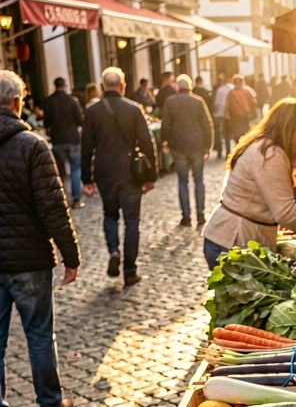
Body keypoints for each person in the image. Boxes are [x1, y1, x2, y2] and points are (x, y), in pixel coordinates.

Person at [0, 70, 80, 407]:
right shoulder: (32, 145)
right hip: (29, 259)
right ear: (17, 102)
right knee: (39, 335)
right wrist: (70, 255)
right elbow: (53, 207)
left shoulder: (33, 144)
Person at [203, 98, 296, 269]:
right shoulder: (270, 155)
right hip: (232, 239)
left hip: (234, 237)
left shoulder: (264, 145)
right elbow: (286, 213)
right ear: (292, 130)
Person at [81, 67, 157, 286]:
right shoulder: (134, 110)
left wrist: (86, 179)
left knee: (110, 214)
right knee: (132, 221)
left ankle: (114, 251)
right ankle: (130, 270)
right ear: (122, 85)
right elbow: (147, 142)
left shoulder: (93, 111)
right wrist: (150, 175)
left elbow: (86, 147)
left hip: (105, 172)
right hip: (130, 173)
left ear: (103, 85)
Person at [161, 74, 214, 228]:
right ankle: (200, 214)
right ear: (190, 86)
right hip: (197, 145)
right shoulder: (198, 101)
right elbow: (207, 124)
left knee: (182, 181)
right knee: (199, 180)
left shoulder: (170, 102)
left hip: (178, 146)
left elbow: (166, 124)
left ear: (178, 86)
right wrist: (208, 145)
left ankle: (186, 216)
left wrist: (165, 142)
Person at [43, 77, 84, 209]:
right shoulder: (73, 100)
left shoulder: (49, 101)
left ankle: (62, 200)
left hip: (57, 140)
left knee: (60, 172)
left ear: (55, 86)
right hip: (72, 139)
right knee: (75, 170)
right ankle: (76, 200)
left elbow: (46, 122)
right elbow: (80, 120)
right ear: (65, 85)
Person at [224, 75, 256, 144]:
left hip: (237, 117)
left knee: (238, 135)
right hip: (241, 116)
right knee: (244, 134)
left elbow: (227, 105)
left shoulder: (231, 93)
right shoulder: (246, 92)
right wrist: (253, 115)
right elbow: (252, 104)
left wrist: (227, 115)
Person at [211, 72, 233, 158]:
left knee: (221, 133)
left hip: (220, 114)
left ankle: (221, 151)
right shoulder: (232, 88)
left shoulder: (219, 90)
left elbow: (216, 103)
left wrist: (215, 112)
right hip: (231, 114)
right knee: (230, 133)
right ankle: (232, 150)